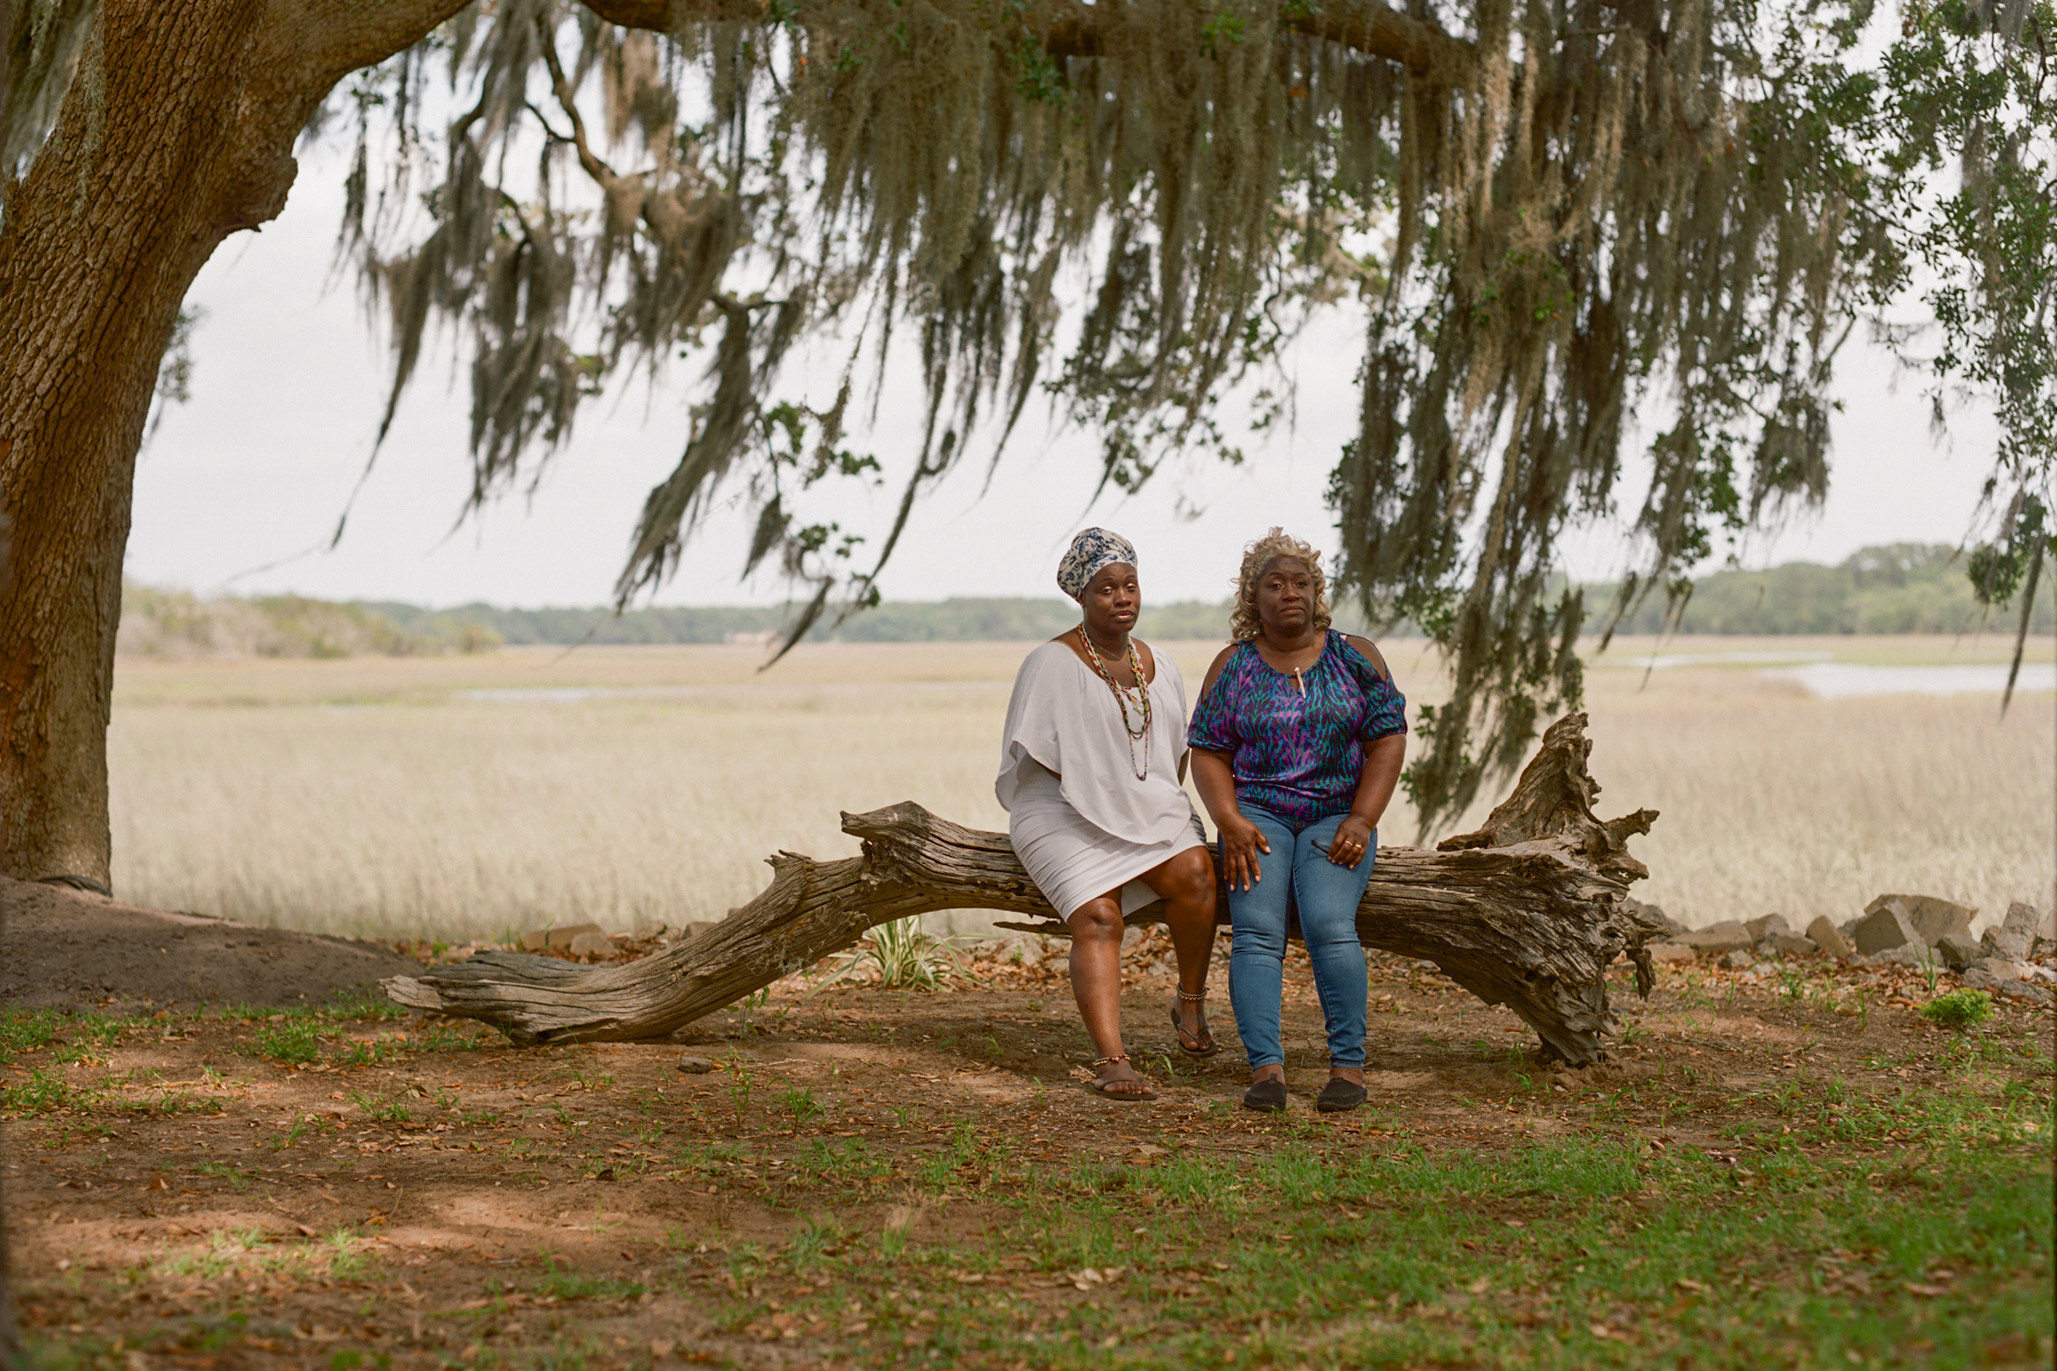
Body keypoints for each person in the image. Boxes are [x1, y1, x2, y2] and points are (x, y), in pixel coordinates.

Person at [996, 529, 1220, 1100]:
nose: (1122, 598)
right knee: (1099, 914)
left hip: (1143, 800)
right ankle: (1112, 1059)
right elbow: (1039, 762)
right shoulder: (1050, 662)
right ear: (1081, 597)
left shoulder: (1159, 662)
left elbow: (1174, 751)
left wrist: (1138, 801)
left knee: (1196, 875)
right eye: (1105, 589)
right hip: (1059, 809)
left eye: (1130, 586)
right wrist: (1106, 801)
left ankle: (1189, 1003)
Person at [1188, 529, 1407, 1113]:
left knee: (1329, 922)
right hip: (1256, 816)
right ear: (1251, 597)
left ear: (1318, 593)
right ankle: (1266, 1071)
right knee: (1257, 931)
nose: (1290, 592)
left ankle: (1348, 1069)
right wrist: (1228, 820)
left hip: (1336, 814)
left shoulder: (1354, 656)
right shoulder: (1233, 665)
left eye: (1301, 582)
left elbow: (1388, 738)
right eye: (1275, 584)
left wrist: (1363, 819)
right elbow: (1208, 749)